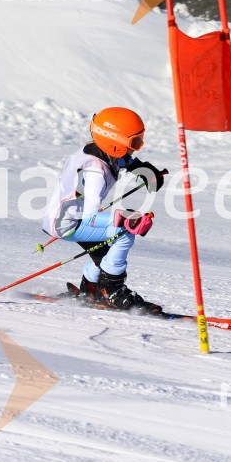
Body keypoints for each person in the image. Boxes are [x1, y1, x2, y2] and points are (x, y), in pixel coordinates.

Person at [42, 107, 166, 311]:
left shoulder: (95, 150)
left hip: (64, 217)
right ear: (114, 142)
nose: (137, 148)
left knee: (107, 254)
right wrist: (126, 220)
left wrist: (144, 170)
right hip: (69, 223)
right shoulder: (95, 173)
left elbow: (121, 159)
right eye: (135, 142)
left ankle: (90, 289)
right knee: (123, 234)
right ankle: (112, 291)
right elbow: (90, 217)